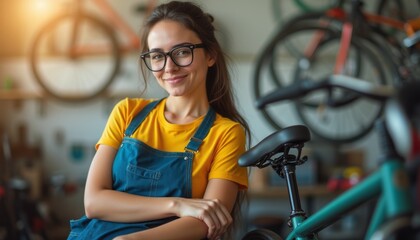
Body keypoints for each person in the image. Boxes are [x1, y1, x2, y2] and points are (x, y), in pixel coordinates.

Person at [67, 1, 251, 240]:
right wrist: (177, 205)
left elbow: (207, 223)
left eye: (182, 52)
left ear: (211, 55)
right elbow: (94, 202)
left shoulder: (226, 133)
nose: (169, 67)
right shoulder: (127, 113)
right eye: (157, 56)